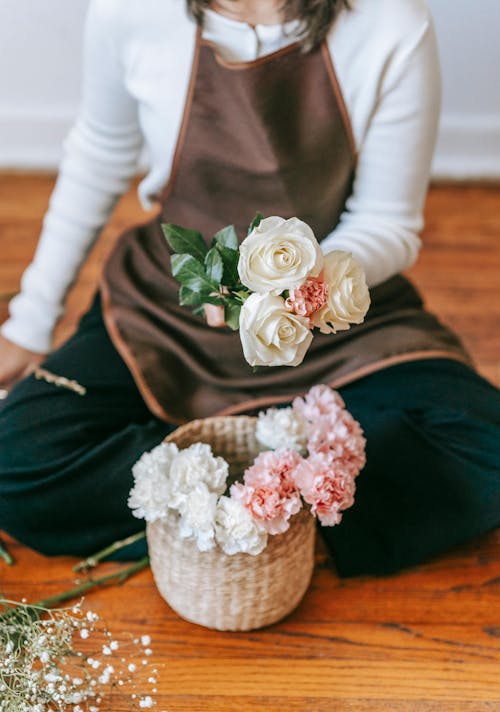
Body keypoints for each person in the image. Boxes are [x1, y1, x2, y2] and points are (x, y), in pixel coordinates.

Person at [0, 0, 498, 576]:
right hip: (168, 308)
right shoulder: (127, 11)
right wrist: (30, 322)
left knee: (486, 446)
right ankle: (286, 497)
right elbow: (99, 156)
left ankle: (235, 503)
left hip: (334, 313)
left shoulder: (392, 23)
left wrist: (297, 292)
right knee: (16, 466)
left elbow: (388, 222)